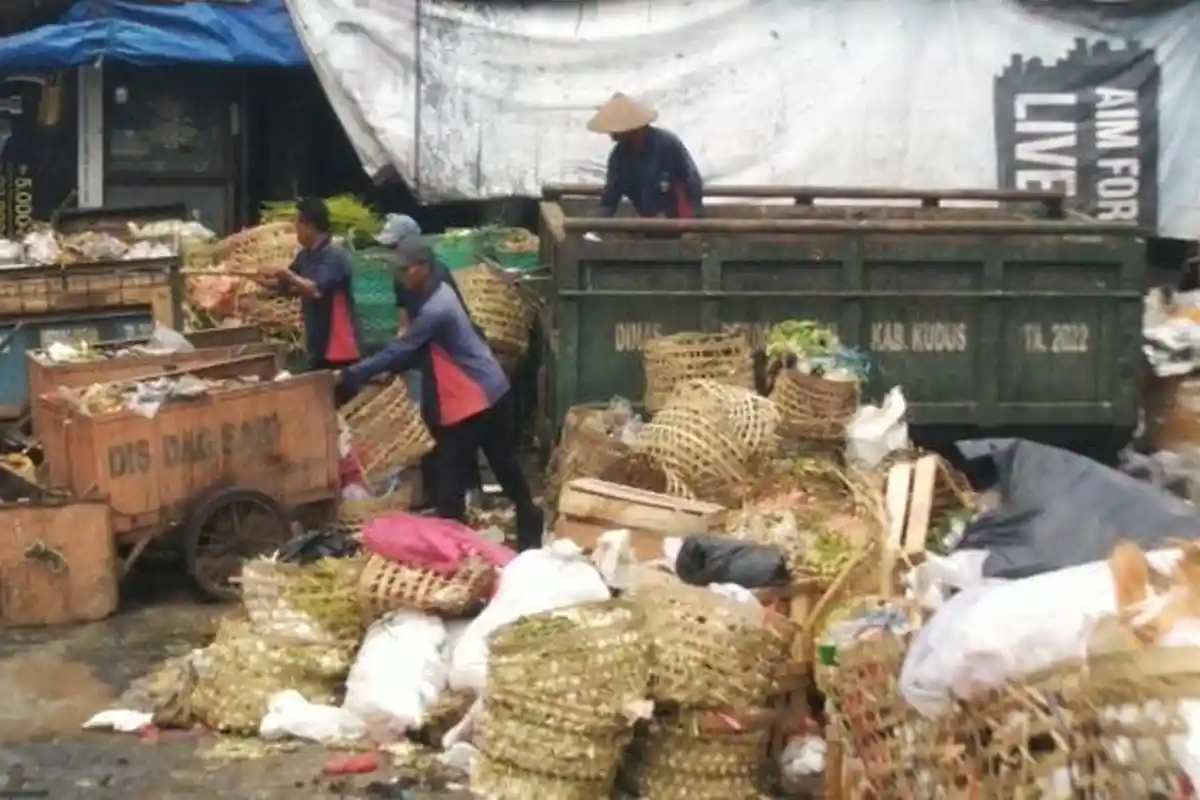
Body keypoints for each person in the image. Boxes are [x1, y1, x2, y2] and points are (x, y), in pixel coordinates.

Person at [335, 240, 544, 550]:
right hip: (484, 391)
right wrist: (383, 369)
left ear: (423, 268)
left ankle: (456, 540)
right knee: (498, 463)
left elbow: (407, 347)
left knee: (455, 470)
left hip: (476, 396)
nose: (400, 276)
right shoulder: (433, 293)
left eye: (405, 270)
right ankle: (524, 518)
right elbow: (418, 351)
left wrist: (352, 375)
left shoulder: (438, 308)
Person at [374, 213, 485, 504]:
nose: (390, 254)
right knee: (427, 423)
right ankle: (435, 494)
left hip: (448, 360)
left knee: (453, 427)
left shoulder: (439, 279)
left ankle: (465, 491)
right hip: (424, 356)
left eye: (394, 246)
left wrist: (396, 358)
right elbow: (404, 323)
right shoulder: (402, 278)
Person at [258, 197, 361, 370]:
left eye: (298, 224)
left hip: (338, 346)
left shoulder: (335, 256)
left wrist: (287, 274)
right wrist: (262, 280)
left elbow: (316, 290)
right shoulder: (304, 256)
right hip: (316, 343)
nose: (295, 230)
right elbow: (288, 287)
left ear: (310, 226)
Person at [588, 92, 704, 220]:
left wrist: (691, 223)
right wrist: (598, 220)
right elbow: (610, 198)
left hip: (677, 221)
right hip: (648, 222)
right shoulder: (619, 157)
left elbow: (692, 184)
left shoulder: (667, 145)